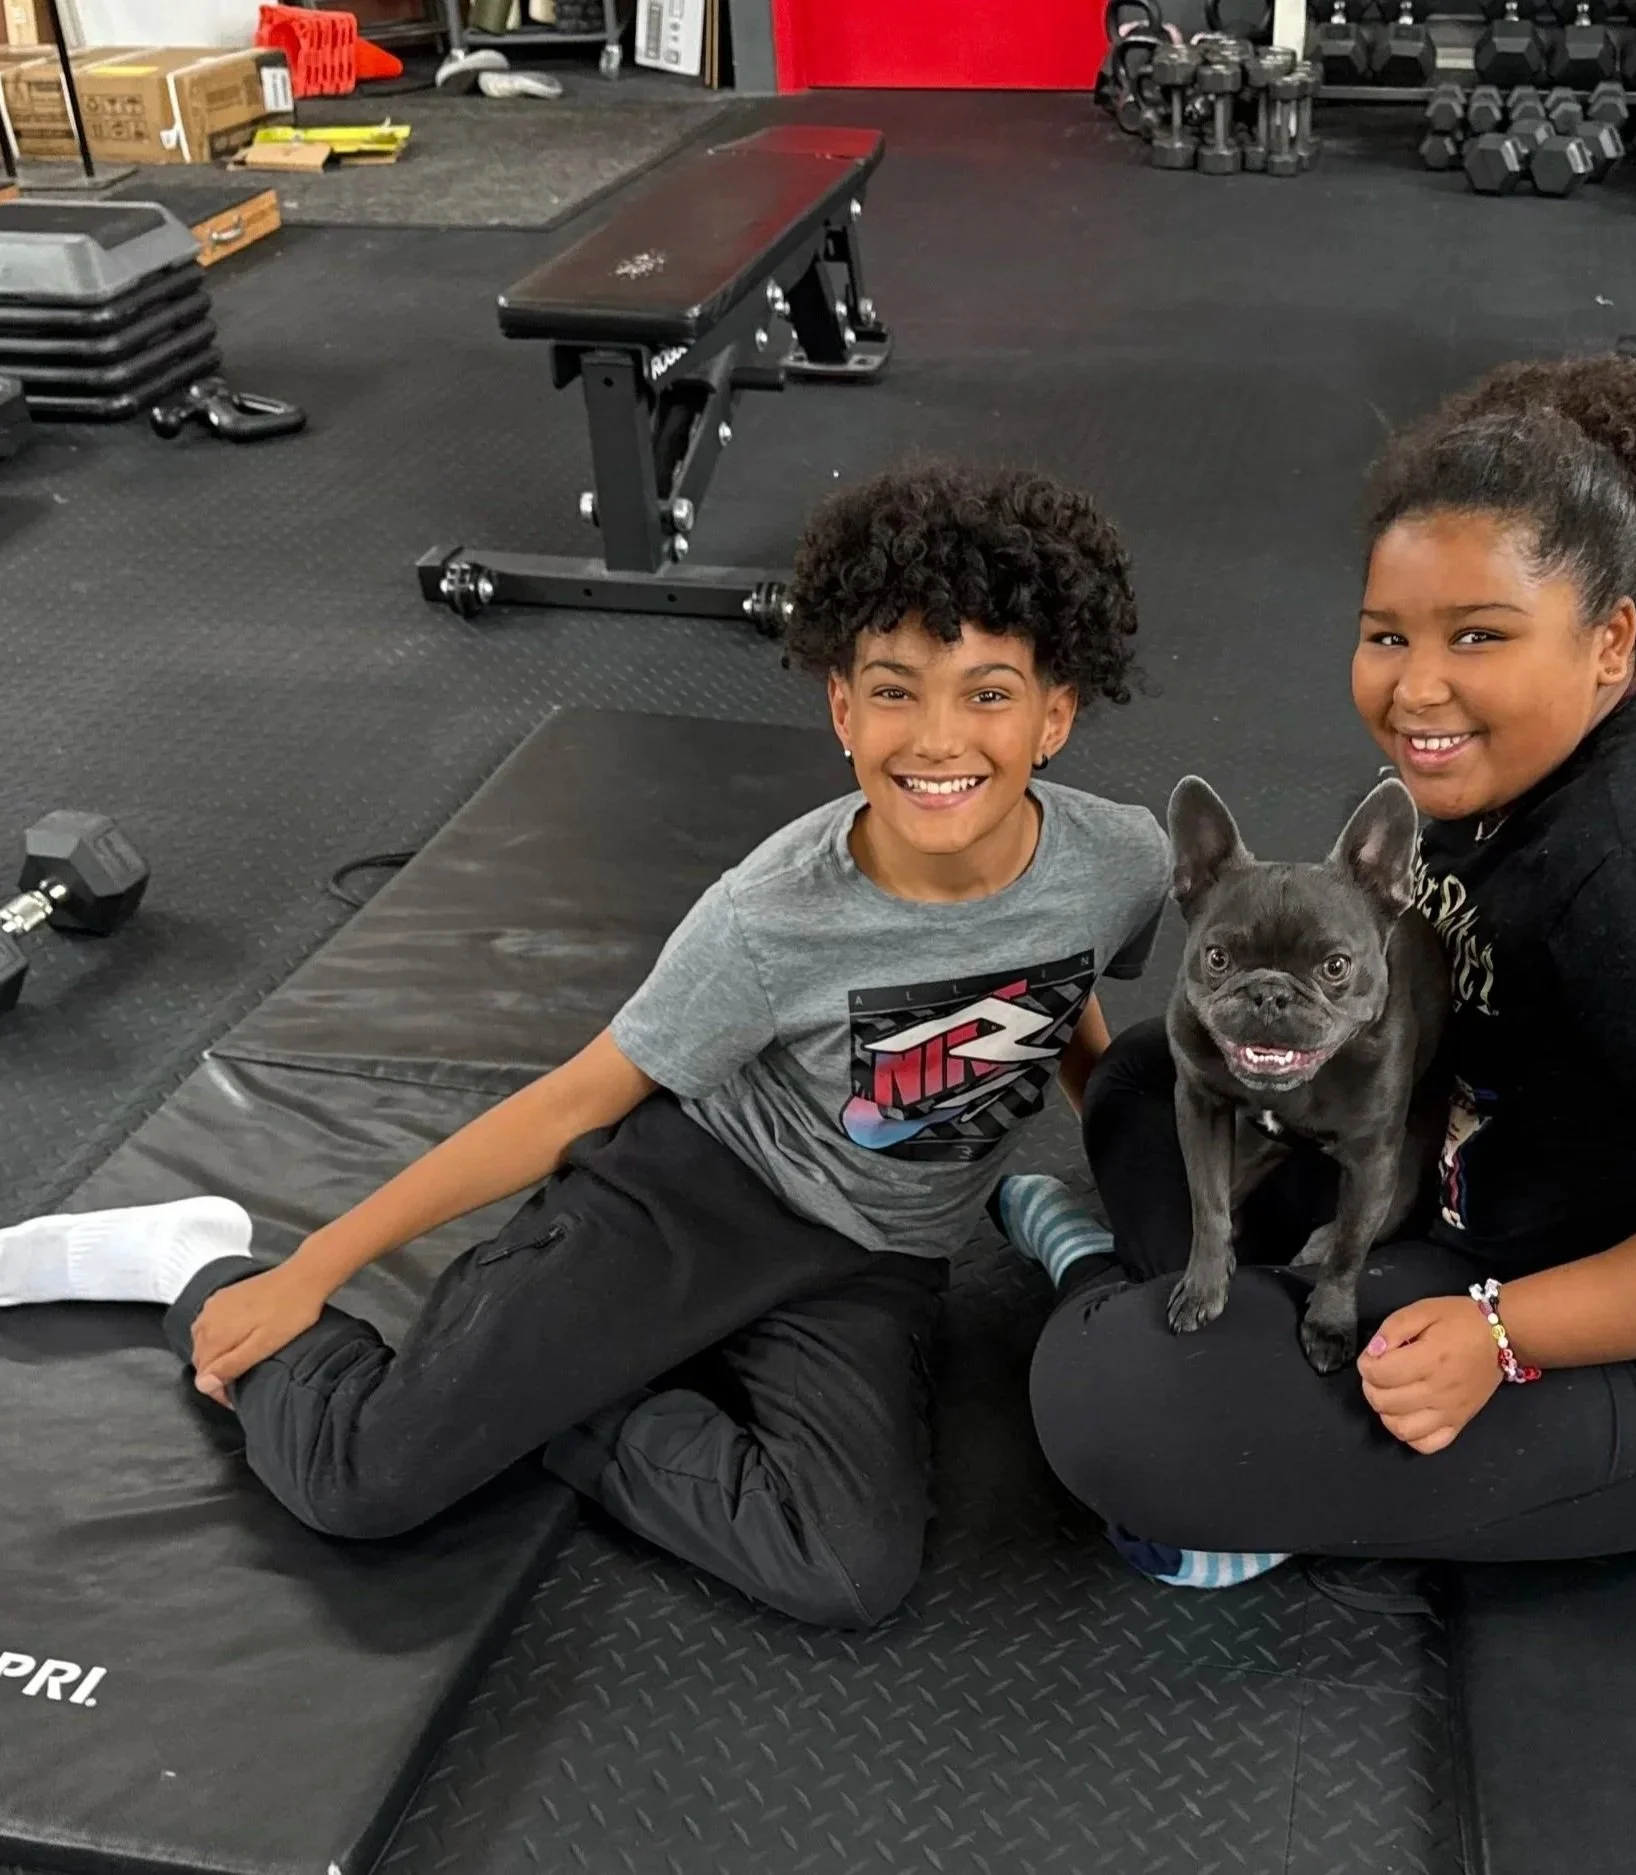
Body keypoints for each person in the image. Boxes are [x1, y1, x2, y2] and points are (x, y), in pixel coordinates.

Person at [0, 464, 1171, 1631]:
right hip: (695, 1200)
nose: (936, 739)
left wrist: (1120, 1162)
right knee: (365, 1482)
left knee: (845, 1569)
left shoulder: (1120, 864)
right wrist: (312, 1272)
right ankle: (193, 1260)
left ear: (1054, 715)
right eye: (895, 691)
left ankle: (564, 1395)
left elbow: (1060, 1003)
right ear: (842, 709)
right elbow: (568, 1106)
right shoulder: (767, 917)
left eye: (987, 695)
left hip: (878, 1261)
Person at [1002, 355, 1636, 1587]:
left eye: (1477, 637)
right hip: (1464, 1197)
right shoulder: (1504, 770)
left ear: (1612, 641)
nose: (1414, 688)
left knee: (1107, 1399)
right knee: (1152, 1077)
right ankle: (1221, 1328)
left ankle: (1174, 1342)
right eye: (1387, 635)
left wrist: (1502, 1331)